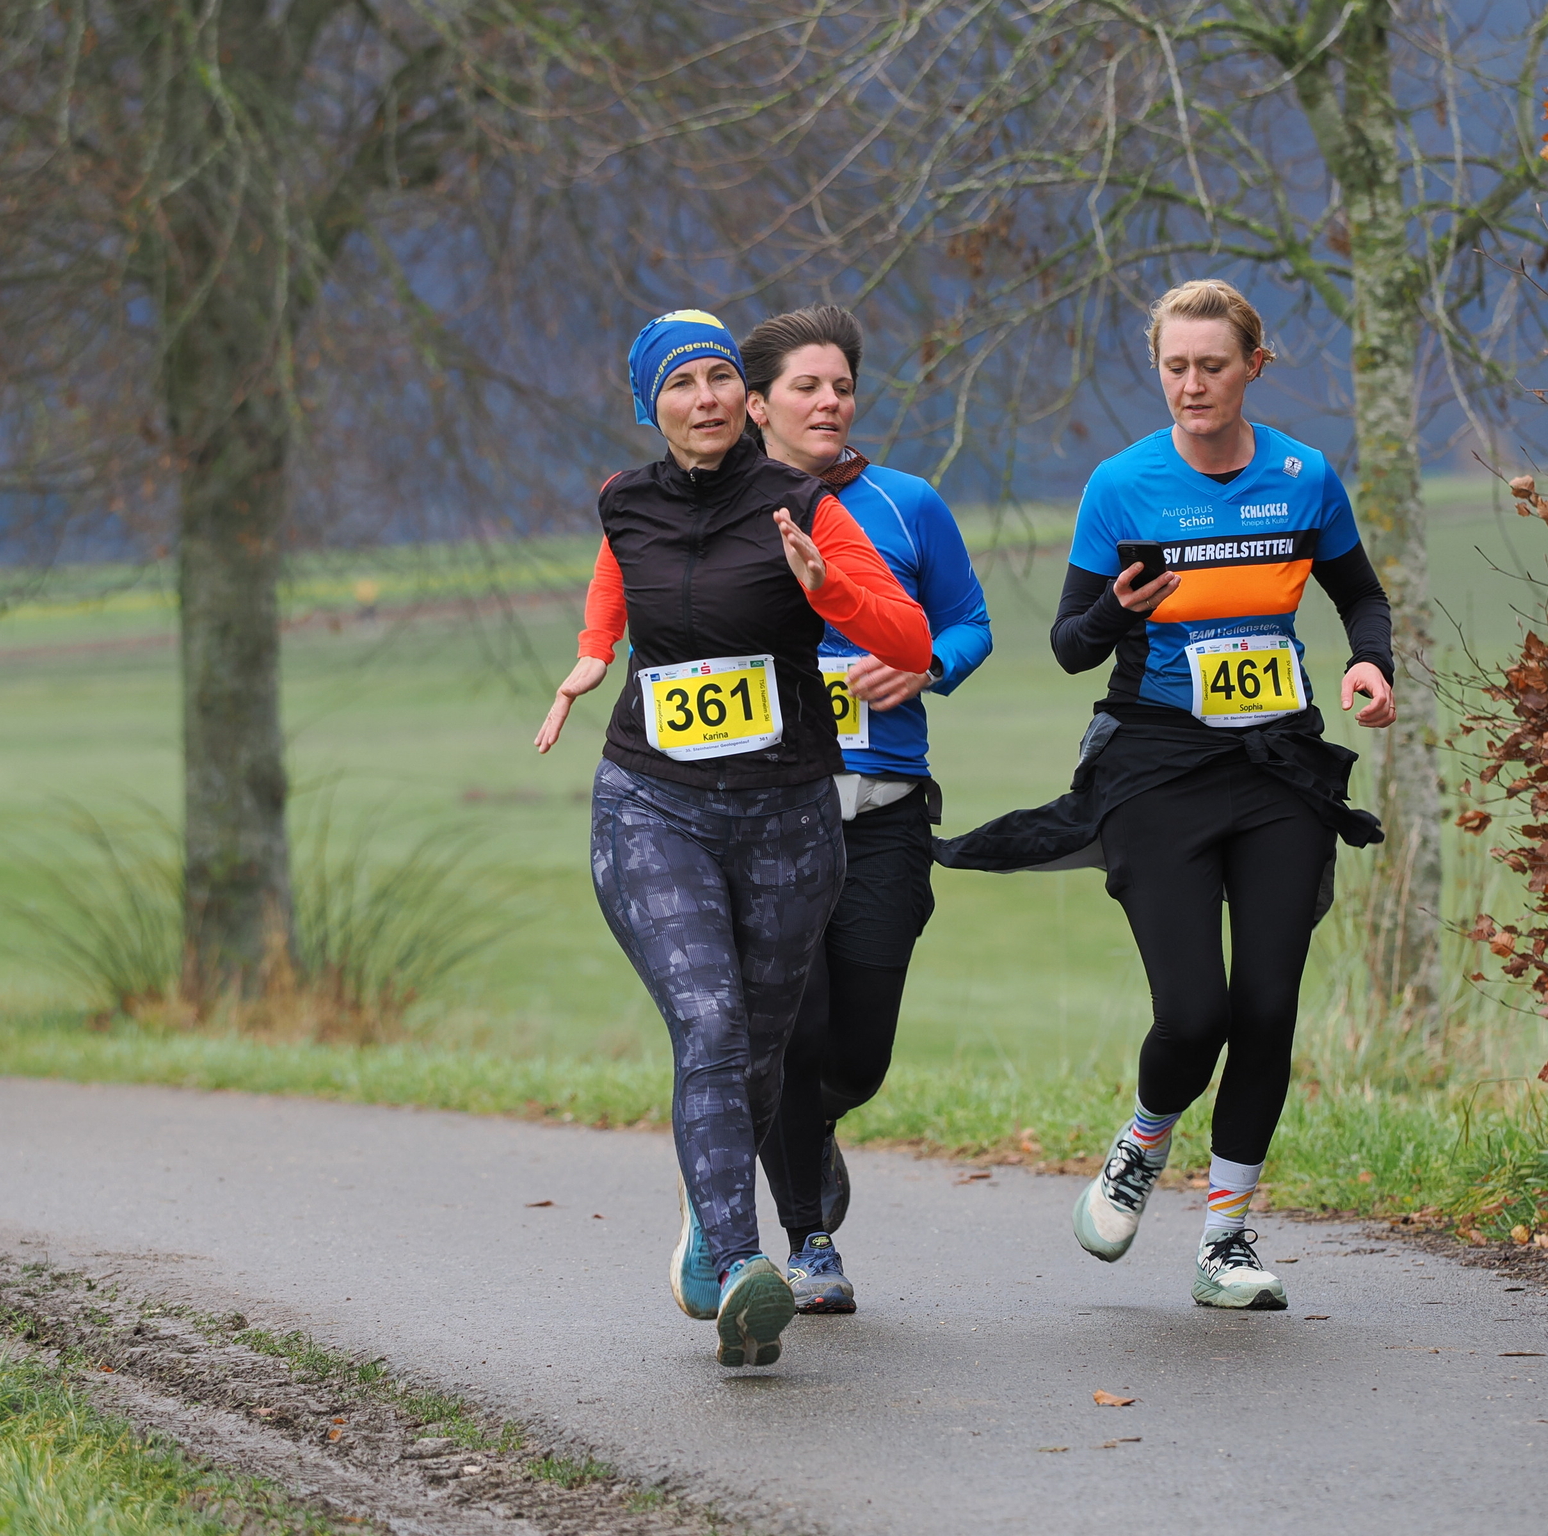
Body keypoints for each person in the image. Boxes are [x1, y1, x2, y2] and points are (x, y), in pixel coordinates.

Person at [935, 279, 1395, 1311]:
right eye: (1174, 367)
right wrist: (1116, 607)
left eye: (1212, 366)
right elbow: (1069, 646)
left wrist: (1370, 663)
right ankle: (1142, 1143)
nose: (1192, 385)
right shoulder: (1122, 484)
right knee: (1193, 1012)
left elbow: (1358, 594)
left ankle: (1225, 1238)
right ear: (1159, 370)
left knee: (1266, 1008)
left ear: (1252, 368)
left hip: (1275, 762)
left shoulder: (1302, 477)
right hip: (1154, 765)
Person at [534, 309, 932, 1367]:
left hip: (785, 812)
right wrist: (594, 648)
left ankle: (713, 1227)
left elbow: (907, 637)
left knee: (759, 1042)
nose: (703, 398)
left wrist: (827, 588)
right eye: (680, 384)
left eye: (717, 377)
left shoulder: (803, 505)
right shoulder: (626, 501)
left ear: (745, 401)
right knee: (710, 1023)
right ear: (650, 405)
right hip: (652, 802)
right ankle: (746, 1264)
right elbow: (617, 569)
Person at [738, 305, 993, 1314]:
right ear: (756, 405)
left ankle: (797, 1127)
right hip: (772, 811)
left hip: (886, 810)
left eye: (841, 385)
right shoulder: (727, 513)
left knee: (858, 1054)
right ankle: (809, 1242)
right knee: (793, 1034)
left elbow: (969, 624)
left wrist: (925, 665)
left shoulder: (906, 504)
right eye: (805, 386)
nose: (828, 402)